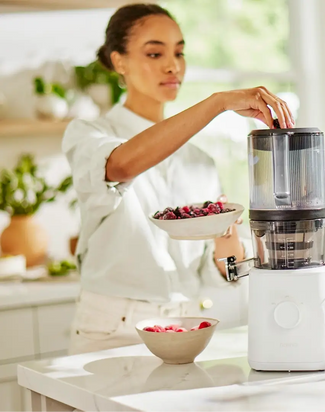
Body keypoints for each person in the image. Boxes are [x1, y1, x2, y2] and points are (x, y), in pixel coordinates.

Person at [63, 3, 294, 355]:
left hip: (186, 326)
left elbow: (218, 270)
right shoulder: (90, 134)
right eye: (155, 53)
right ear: (119, 61)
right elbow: (121, 166)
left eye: (180, 53)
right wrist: (219, 102)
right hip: (111, 329)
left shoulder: (199, 162)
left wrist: (227, 237)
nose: (173, 65)